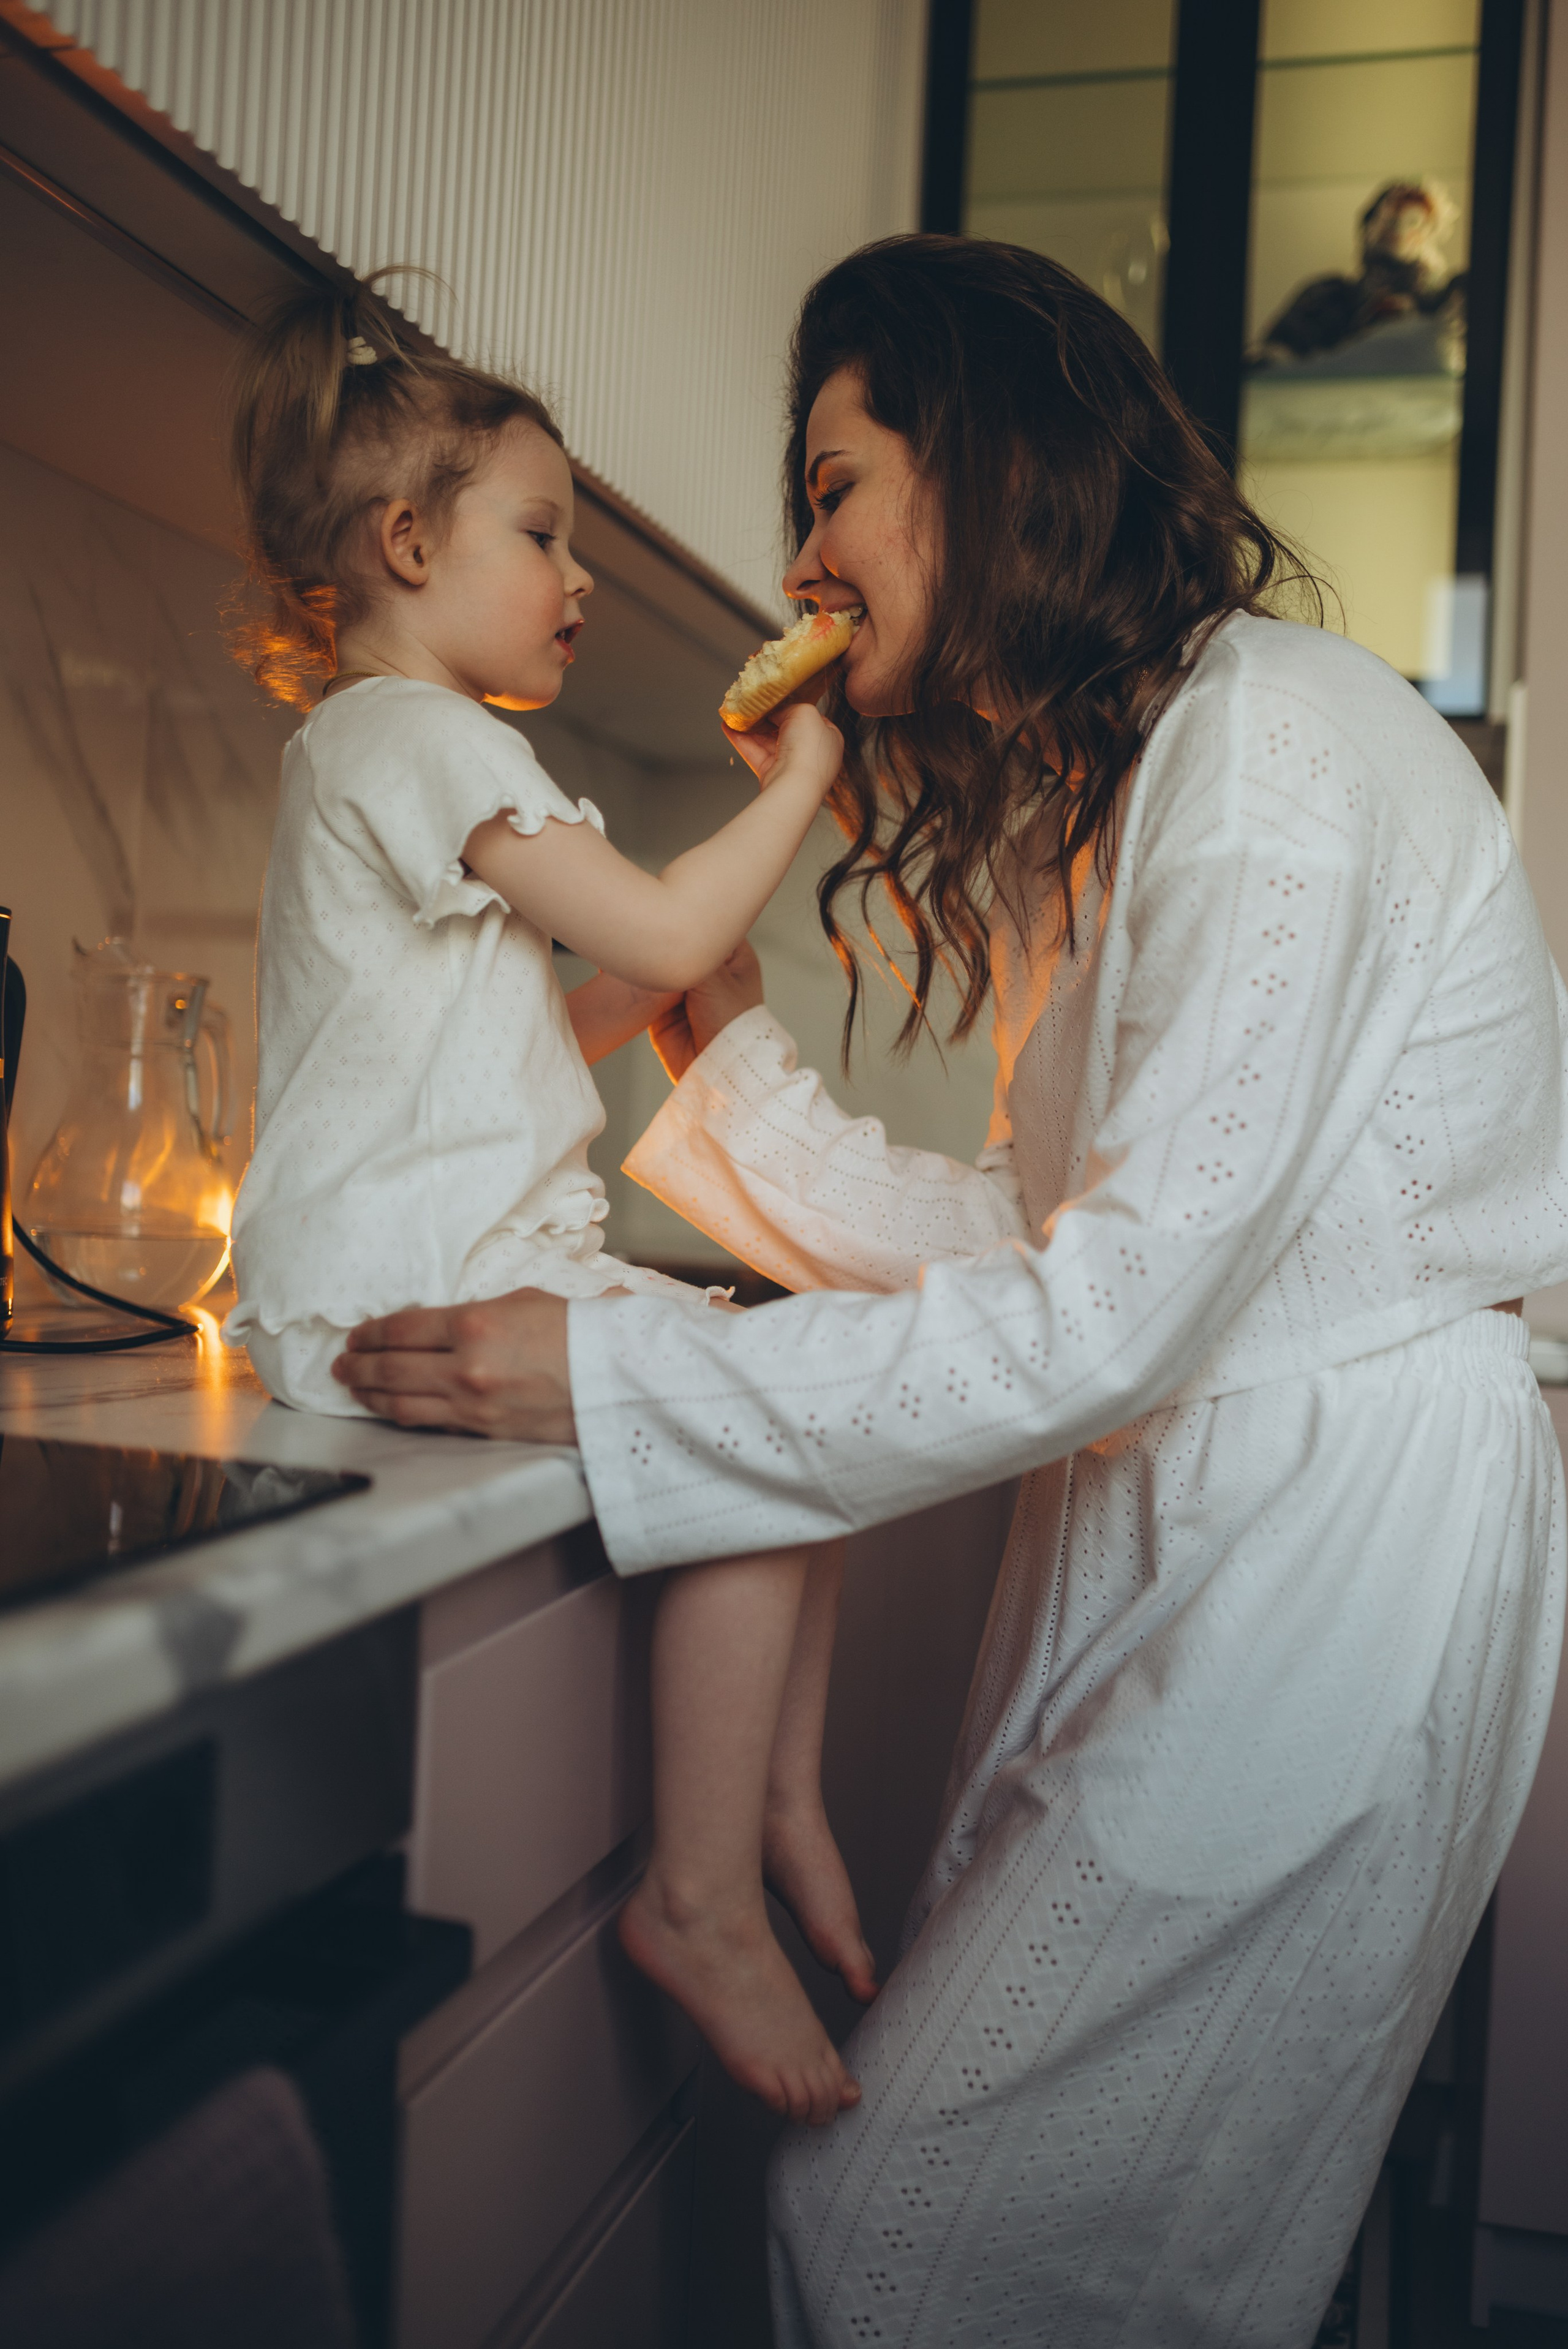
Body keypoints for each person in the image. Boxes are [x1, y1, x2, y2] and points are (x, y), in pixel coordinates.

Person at [334, 236, 1568, 2348]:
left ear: (977, 458)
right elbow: (1037, 1245)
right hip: (1222, 1520)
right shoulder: (1116, 807)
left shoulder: (1274, 751)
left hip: (1332, 1565)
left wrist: (616, 1384)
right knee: (1025, 2252)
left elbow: (1114, 1312)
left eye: (832, 481)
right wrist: (719, 1047)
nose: (802, 551)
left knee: (921, 2242)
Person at [221, 284, 878, 2130]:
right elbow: (662, 934)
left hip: (409, 1268)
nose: (576, 576)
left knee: (806, 1387)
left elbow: (571, 1012)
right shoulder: (420, 736)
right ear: (407, 544)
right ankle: (707, 1885)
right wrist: (810, 785)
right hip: (409, 1285)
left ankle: (763, 1808)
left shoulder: (392, 750)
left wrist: (681, 957)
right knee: (790, 1402)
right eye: (541, 533)